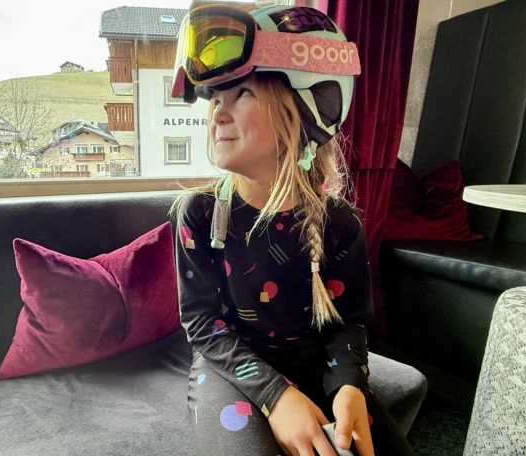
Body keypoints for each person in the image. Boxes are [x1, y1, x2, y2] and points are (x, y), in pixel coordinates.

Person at [169, 4, 417, 456]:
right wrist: (276, 396)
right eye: (216, 99)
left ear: (303, 110)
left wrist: (349, 384)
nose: (218, 114)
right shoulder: (199, 214)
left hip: (315, 364)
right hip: (231, 370)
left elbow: (347, 322)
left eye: (242, 93)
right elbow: (203, 324)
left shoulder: (340, 223)